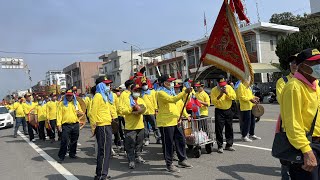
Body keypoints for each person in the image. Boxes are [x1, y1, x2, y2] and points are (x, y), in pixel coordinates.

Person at [280, 48, 320, 179]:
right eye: (315, 63)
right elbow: (293, 124)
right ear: (302, 66)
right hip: (306, 146)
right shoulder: (294, 87)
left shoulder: (315, 85)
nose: (318, 65)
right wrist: (307, 151)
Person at [157, 75, 193, 173]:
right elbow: (173, 100)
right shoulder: (161, 92)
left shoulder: (171, 92)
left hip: (175, 120)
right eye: (170, 81)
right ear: (165, 83)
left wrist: (187, 93)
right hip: (166, 122)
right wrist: (184, 92)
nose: (173, 83)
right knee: (168, 144)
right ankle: (169, 164)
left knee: (180, 140)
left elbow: (178, 103)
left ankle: (182, 160)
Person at [275, 54, 298, 180]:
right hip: (288, 124)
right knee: (287, 158)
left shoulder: (311, 82)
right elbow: (282, 99)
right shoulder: (283, 81)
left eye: (297, 62)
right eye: (292, 63)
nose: (294, 65)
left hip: (307, 126)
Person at [90, 77, 115, 180]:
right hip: (102, 126)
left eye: (109, 84)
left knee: (105, 151)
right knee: (104, 151)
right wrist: (93, 128)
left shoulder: (105, 96)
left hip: (106, 125)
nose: (109, 86)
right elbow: (93, 113)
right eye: (106, 84)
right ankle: (101, 175)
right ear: (101, 85)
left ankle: (101, 174)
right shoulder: (98, 96)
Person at [119, 84, 147, 169]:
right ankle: (131, 160)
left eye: (138, 91)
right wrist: (131, 109)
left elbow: (145, 109)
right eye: (135, 90)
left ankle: (138, 156)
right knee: (130, 144)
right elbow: (121, 110)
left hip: (140, 126)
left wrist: (140, 110)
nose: (137, 92)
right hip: (130, 127)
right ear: (131, 91)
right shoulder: (127, 100)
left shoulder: (141, 100)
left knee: (139, 143)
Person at [211, 76, 237, 153]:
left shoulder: (228, 88)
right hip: (219, 111)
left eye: (224, 85)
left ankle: (229, 145)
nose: (223, 86)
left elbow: (234, 97)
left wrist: (226, 93)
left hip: (228, 110)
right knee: (219, 129)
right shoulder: (214, 90)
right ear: (217, 84)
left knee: (229, 127)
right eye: (221, 85)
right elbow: (213, 101)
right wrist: (220, 94)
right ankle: (220, 146)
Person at [57, 89, 84, 163]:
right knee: (64, 141)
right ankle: (61, 156)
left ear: (73, 95)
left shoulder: (76, 103)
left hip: (75, 124)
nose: (69, 97)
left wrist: (80, 114)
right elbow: (59, 115)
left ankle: (72, 154)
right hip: (66, 125)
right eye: (68, 95)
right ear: (66, 95)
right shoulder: (62, 104)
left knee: (74, 140)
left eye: (70, 95)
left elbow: (81, 112)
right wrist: (59, 125)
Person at [141, 79, 161, 145]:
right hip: (144, 113)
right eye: (143, 85)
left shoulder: (152, 92)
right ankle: (147, 139)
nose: (144, 86)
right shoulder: (141, 93)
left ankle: (158, 138)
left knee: (155, 126)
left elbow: (155, 101)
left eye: (145, 85)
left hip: (151, 112)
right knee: (145, 127)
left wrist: (156, 109)